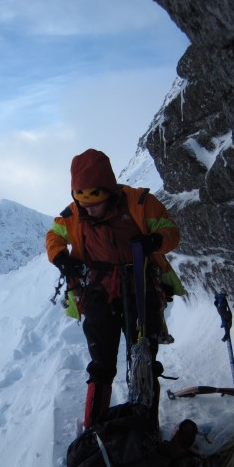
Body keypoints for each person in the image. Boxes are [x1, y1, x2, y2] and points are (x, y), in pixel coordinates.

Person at [46, 148, 184, 429]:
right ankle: (94, 429)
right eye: (82, 202)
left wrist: (154, 242)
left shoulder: (142, 204)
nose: (88, 209)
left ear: (108, 192)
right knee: (101, 364)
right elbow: (54, 236)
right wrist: (59, 257)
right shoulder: (72, 214)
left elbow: (171, 232)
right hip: (98, 292)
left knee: (143, 359)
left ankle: (145, 428)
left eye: (94, 203)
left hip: (140, 289)